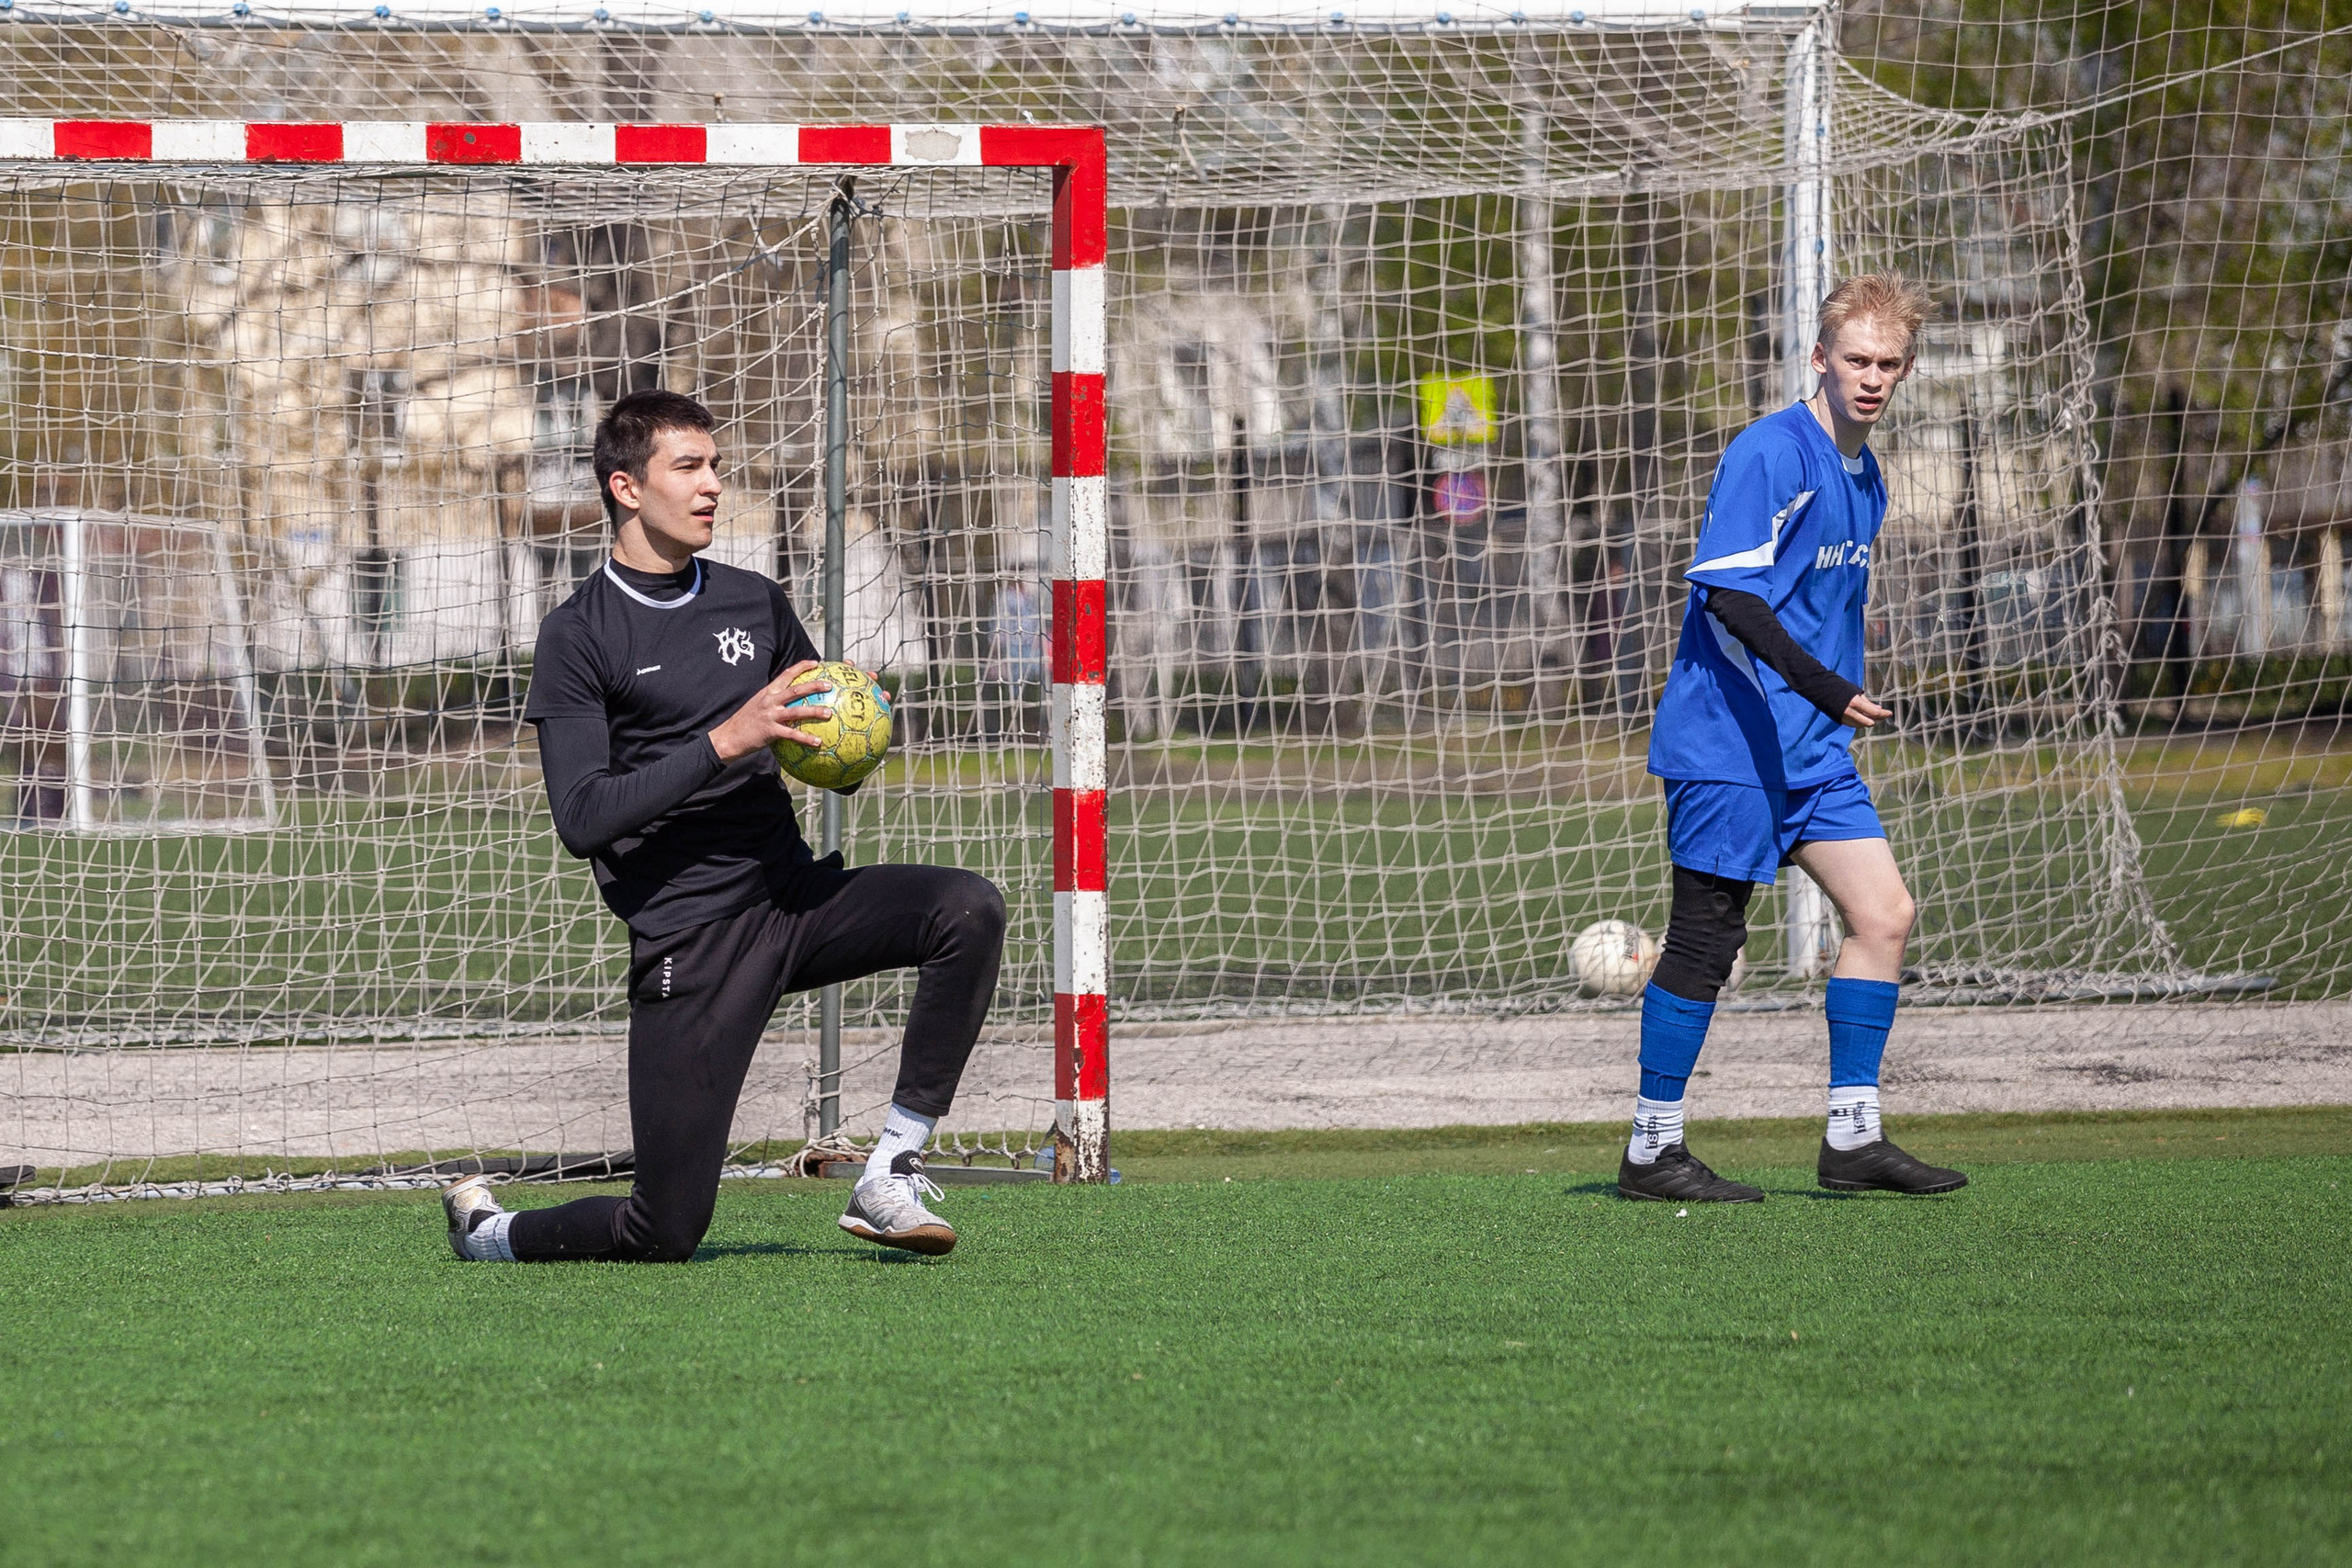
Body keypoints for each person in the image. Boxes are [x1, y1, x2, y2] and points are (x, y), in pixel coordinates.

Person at [440, 389, 1006, 1260]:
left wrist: (851, 740)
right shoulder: (577, 633)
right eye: (689, 467)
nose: (712, 486)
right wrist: (724, 739)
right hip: (689, 941)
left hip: (791, 900)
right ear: (627, 488)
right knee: (664, 1229)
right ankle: (492, 1232)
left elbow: (813, 744)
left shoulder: (756, 601)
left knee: (966, 909)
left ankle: (889, 1168)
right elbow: (583, 816)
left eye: (716, 467)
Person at [1621, 273, 1968, 1204]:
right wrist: (1824, 684)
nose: (1871, 378)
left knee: (1883, 915)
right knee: (1706, 941)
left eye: (1888, 365)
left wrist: (1825, 699)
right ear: (1818, 358)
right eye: (1855, 360)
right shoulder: (1769, 453)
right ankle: (1653, 1150)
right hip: (1728, 741)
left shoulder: (1866, 474)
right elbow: (1728, 595)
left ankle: (1851, 1138)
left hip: (1810, 749)